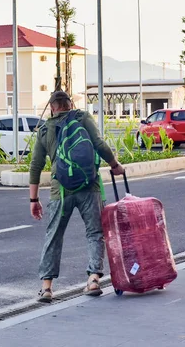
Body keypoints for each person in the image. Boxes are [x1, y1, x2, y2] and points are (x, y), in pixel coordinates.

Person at [29, 91, 125, 303]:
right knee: (94, 232)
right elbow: (99, 144)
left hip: (60, 190)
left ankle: (46, 288)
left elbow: (35, 165)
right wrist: (115, 166)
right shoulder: (82, 118)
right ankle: (93, 280)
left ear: (52, 107)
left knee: (54, 235)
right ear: (70, 104)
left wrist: (33, 200)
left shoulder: (45, 129)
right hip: (89, 186)